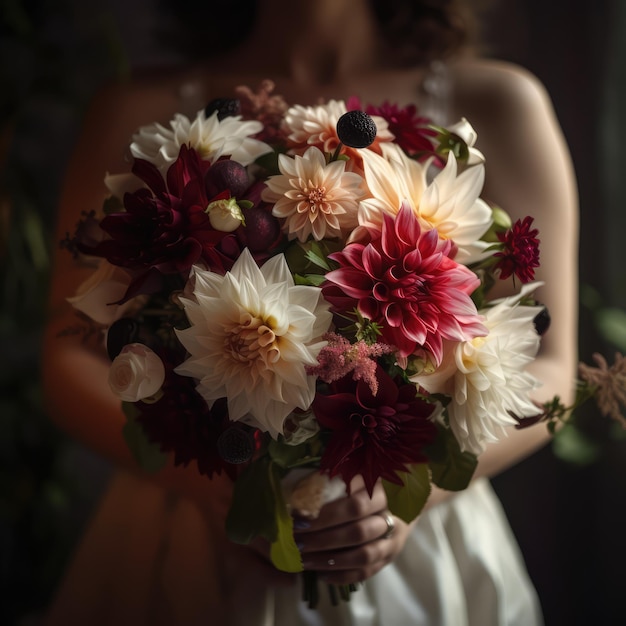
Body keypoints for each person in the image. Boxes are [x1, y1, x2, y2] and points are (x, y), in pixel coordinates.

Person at [41, 0, 579, 624]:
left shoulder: (500, 100)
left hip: (414, 542)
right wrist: (224, 495)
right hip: (187, 526)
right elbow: (68, 347)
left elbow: (552, 361)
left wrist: (406, 495)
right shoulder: (138, 108)